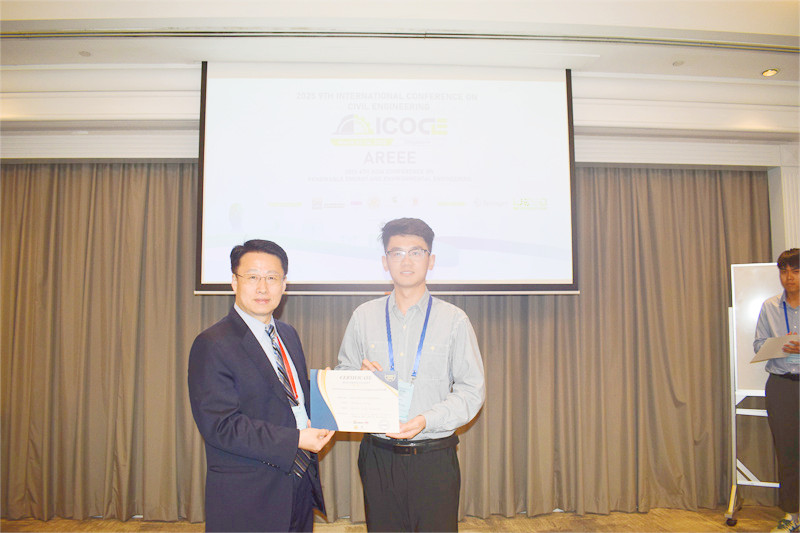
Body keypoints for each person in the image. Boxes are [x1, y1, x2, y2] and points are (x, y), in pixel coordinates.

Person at [336, 217, 485, 532]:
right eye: (397, 253)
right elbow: (343, 374)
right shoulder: (363, 317)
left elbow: (472, 391)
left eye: (416, 252)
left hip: (434, 457)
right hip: (378, 456)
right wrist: (358, 380)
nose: (406, 261)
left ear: (431, 260)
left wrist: (425, 420)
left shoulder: (454, 320)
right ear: (385, 261)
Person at [188, 239, 334, 532]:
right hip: (249, 495)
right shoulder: (212, 343)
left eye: (272, 278)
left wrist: (333, 388)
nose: (263, 288)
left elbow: (287, 396)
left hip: (298, 484)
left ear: (284, 284)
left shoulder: (288, 334)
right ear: (234, 281)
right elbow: (221, 426)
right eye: (253, 277)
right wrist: (296, 439)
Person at [754, 248, 799, 533]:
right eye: (784, 271)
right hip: (781, 386)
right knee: (787, 452)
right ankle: (791, 515)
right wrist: (778, 346)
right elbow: (758, 345)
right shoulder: (770, 306)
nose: (789, 277)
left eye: (796, 271)